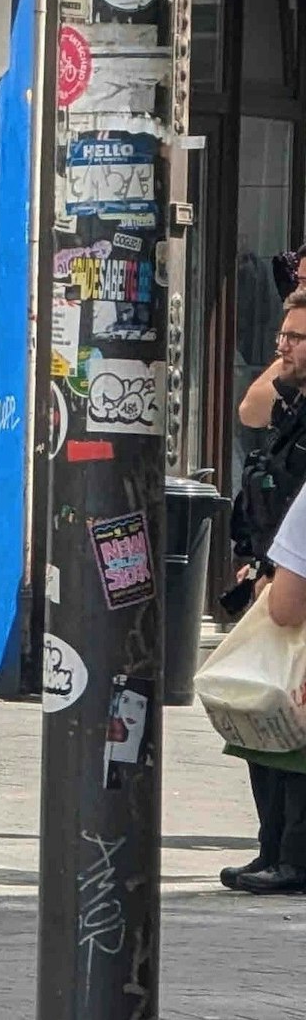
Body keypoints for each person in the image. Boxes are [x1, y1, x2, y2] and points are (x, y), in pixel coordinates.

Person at [223, 287, 306, 894]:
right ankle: (271, 847)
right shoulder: (290, 403)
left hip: (295, 583)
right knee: (259, 714)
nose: (283, 349)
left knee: (292, 724)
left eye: (296, 338)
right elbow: (250, 411)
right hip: (272, 570)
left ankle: (293, 856)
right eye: (281, 336)